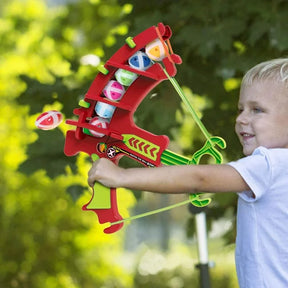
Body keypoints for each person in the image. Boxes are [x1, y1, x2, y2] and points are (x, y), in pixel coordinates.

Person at [88, 58, 288, 288]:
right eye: (241, 109)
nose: (241, 118)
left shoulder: (269, 164)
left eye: (257, 110)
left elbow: (199, 179)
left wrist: (121, 176)